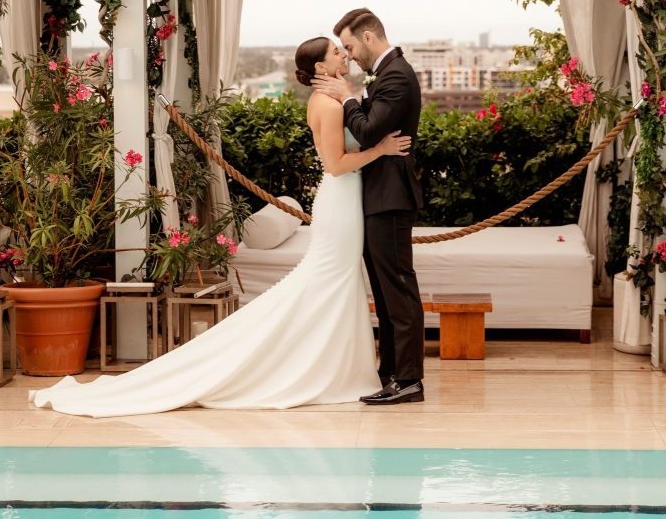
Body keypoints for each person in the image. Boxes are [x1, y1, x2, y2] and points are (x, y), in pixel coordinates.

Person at [28, 36, 410, 417]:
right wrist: (380, 150)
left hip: (348, 202)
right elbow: (335, 164)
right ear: (322, 69)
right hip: (340, 202)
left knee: (337, 283)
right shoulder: (327, 105)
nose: (345, 54)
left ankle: (337, 367)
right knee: (331, 280)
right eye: (337, 52)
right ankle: (321, 369)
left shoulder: (336, 97)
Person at [312, 8, 425, 405]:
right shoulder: (388, 73)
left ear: (369, 38)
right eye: (341, 49)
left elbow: (366, 129)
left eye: (350, 45)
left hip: (390, 197)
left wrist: (347, 98)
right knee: (385, 291)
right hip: (377, 195)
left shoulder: (396, 75)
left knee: (398, 291)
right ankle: (391, 373)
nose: (349, 54)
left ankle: (409, 380)